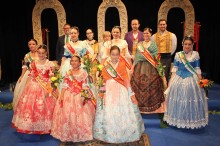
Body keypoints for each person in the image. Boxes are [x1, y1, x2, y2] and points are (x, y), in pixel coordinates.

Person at [93, 45, 145, 143]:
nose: (115, 57)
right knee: (109, 109)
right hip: (109, 90)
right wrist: (102, 92)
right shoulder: (106, 66)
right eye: (113, 54)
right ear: (110, 55)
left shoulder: (122, 65)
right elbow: (103, 81)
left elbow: (126, 81)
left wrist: (130, 93)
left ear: (119, 55)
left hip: (121, 91)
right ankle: (108, 133)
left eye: (117, 55)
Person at [163, 36, 208, 129]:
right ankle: (178, 118)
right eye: (185, 44)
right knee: (177, 99)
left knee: (190, 99)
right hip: (178, 78)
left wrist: (201, 82)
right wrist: (170, 84)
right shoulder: (178, 55)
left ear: (192, 45)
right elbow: (174, 70)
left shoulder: (195, 55)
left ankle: (188, 120)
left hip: (191, 79)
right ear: (183, 44)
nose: (187, 46)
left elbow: (197, 69)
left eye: (189, 44)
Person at [12, 44, 56, 134]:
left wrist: (49, 88)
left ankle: (45, 126)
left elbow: (52, 77)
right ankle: (30, 126)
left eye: (43, 53)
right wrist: (25, 87)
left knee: (44, 106)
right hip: (33, 86)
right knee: (30, 107)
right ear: (37, 53)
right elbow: (31, 76)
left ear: (46, 53)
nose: (41, 55)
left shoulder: (50, 64)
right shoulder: (33, 63)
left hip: (45, 87)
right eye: (39, 53)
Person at [51, 55, 96, 143]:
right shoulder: (68, 72)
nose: (74, 62)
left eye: (76, 61)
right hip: (69, 95)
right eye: (72, 61)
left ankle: (81, 133)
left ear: (79, 63)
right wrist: (62, 96)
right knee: (67, 114)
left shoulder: (83, 72)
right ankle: (68, 133)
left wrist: (84, 95)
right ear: (70, 62)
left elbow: (85, 85)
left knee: (80, 115)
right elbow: (65, 85)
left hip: (79, 95)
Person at [130, 27, 166, 114]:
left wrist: (146, 57)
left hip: (151, 67)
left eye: (148, 33)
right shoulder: (139, 44)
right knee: (139, 85)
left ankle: (150, 105)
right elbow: (137, 56)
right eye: (145, 33)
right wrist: (133, 67)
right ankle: (140, 106)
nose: (146, 35)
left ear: (150, 34)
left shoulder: (153, 44)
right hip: (139, 67)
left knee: (151, 85)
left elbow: (155, 56)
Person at [12, 38, 38, 110]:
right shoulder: (27, 56)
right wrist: (22, 76)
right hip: (29, 74)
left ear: (36, 45)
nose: (31, 46)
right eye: (30, 44)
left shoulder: (40, 53)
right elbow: (24, 67)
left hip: (39, 75)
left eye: (33, 44)